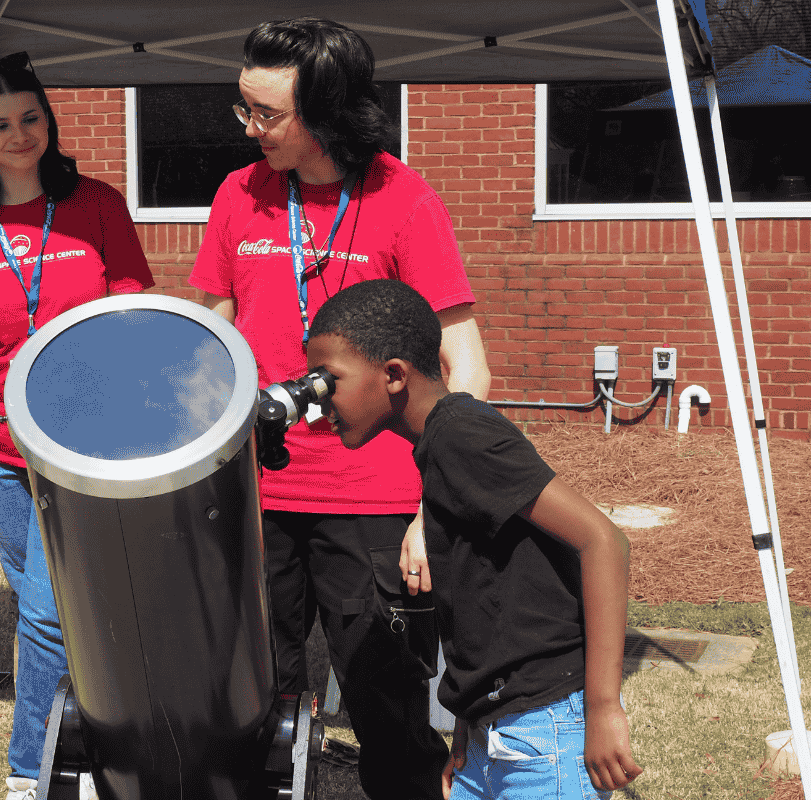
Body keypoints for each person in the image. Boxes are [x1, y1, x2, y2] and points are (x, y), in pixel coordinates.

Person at [189, 17, 490, 800]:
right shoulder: (238, 194)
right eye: (243, 109)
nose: (249, 128)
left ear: (327, 112)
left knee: (388, 715)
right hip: (255, 498)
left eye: (267, 114)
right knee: (253, 712)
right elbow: (208, 342)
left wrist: (436, 507)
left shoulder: (404, 198)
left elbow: (468, 365)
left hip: (376, 503)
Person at [305, 279, 643, 800]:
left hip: (542, 730)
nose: (317, 401)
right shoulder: (436, 445)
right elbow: (481, 599)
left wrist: (602, 707)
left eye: (330, 381)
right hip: (493, 730)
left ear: (393, 375)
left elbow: (603, 541)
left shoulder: (462, 434)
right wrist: (468, 718)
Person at [0, 52, 153, 800]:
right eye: (2, 123)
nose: (20, 133)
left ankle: (30, 771)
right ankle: (90, 747)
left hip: (82, 448)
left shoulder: (94, 205)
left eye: (31, 117)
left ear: (48, 123)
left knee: (49, 617)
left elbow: (133, 320)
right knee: (64, 621)